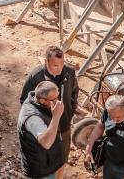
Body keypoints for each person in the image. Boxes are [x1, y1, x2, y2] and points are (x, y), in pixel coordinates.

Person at [19, 46, 79, 178]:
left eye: (62, 64)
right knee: (47, 156)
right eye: (55, 66)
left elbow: (74, 92)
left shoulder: (69, 72)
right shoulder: (35, 76)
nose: (59, 69)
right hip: (45, 127)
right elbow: (25, 100)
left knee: (63, 156)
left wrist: (70, 111)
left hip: (63, 124)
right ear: (46, 62)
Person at [83, 94, 124, 179]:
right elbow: (100, 126)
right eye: (111, 117)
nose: (114, 120)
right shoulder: (110, 111)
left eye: (118, 118)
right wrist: (89, 150)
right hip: (109, 162)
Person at [18, 80, 66, 179]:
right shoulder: (33, 118)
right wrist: (56, 116)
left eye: (58, 96)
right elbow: (46, 143)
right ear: (42, 100)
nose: (58, 102)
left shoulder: (38, 100)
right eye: (54, 99)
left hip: (50, 162)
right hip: (42, 171)